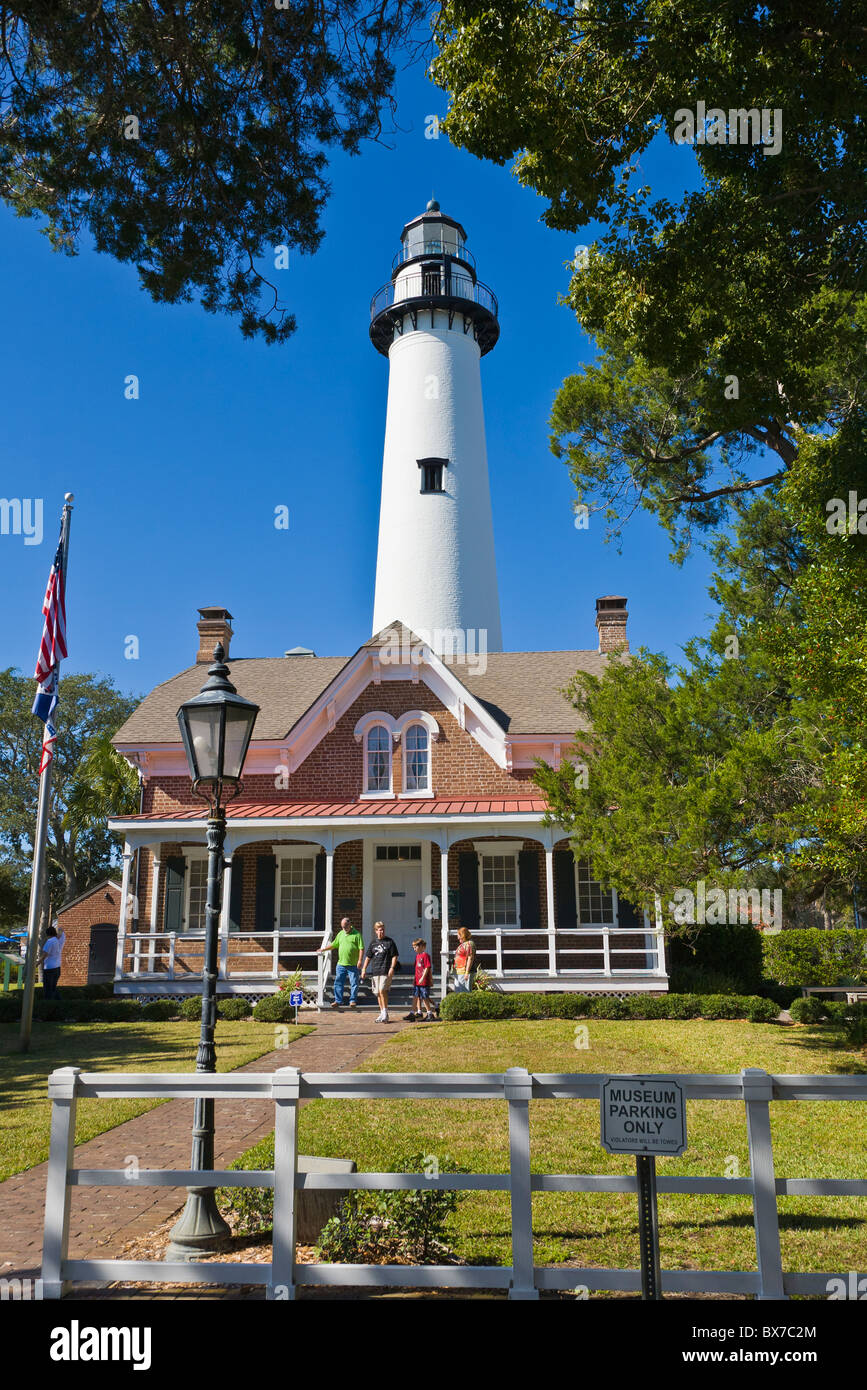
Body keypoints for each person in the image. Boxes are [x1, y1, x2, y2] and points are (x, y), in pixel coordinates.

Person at [315, 917, 364, 1010]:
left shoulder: (357, 935)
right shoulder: (340, 934)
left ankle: (352, 1000)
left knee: (354, 983)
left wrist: (360, 960)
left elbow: (361, 948)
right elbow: (334, 945)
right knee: (338, 983)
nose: (344, 929)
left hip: (352, 965)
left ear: (350, 925)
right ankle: (338, 1000)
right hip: (341, 964)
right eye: (342, 927)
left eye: (345, 927)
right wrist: (323, 949)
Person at [360, 920, 399, 1022]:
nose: (381, 932)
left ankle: (385, 1012)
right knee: (377, 993)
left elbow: (395, 956)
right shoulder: (373, 943)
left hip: (385, 970)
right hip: (375, 971)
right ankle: (382, 1013)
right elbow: (368, 957)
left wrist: (392, 967)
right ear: (376, 931)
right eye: (379, 930)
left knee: (382, 990)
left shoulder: (389, 942)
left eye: (383, 930)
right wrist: (363, 969)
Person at [405, 937, 438, 1021]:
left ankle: (429, 1013)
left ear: (422, 946)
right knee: (415, 996)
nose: (414, 949)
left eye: (416, 947)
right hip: (417, 981)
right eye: (413, 947)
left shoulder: (425, 955)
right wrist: (414, 979)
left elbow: (427, 968)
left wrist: (425, 978)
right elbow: (416, 969)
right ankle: (412, 1013)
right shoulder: (417, 956)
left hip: (423, 981)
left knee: (424, 997)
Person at [41, 922, 66, 999]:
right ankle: (58, 1002)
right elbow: (61, 930)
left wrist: (37, 963)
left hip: (49, 968)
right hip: (57, 968)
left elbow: (44, 955)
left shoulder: (50, 941)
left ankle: (48, 1005)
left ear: (48, 935)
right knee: (53, 988)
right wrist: (58, 933)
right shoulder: (60, 940)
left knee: (48, 989)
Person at [453, 926, 476, 992]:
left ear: (462, 935)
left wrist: (467, 972)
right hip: (459, 971)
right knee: (458, 992)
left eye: (458, 935)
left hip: (464, 972)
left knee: (465, 993)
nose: (457, 937)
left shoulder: (469, 944)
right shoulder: (463, 944)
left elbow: (470, 958)